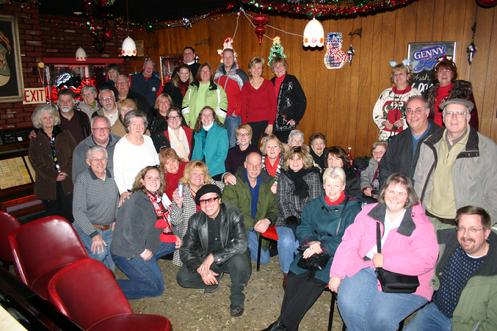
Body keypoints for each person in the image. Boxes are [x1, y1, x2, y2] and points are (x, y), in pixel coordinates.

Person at [329, 173, 439, 331]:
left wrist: (387, 261)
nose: (395, 197)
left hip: (404, 280)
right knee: (348, 302)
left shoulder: (420, 223)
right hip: (366, 267)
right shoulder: (369, 212)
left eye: (401, 193)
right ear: (383, 192)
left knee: (379, 317)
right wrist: (337, 273)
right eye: (391, 192)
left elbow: (426, 259)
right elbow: (349, 242)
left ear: (409, 196)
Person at [264, 167, 361, 331]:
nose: (331, 190)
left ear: (343, 186)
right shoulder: (315, 204)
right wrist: (311, 242)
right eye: (328, 185)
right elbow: (303, 228)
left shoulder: (352, 209)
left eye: (336, 185)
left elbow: (348, 241)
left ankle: (282, 326)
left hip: (335, 257)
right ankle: (285, 325)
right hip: (311, 249)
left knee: (310, 285)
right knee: (293, 280)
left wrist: (321, 247)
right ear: (323, 185)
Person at [405, 206, 497, 331]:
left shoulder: (493, 268)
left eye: (473, 229)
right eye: (461, 228)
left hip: (469, 325)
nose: (465, 235)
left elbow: (493, 323)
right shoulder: (452, 238)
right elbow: (428, 223)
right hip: (437, 312)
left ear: (486, 233)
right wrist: (402, 204)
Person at [414, 98, 497, 228]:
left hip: (463, 224)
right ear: (443, 117)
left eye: (459, 113)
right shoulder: (429, 144)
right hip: (428, 218)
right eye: (449, 113)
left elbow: (494, 191)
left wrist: (483, 225)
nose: (454, 118)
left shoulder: (486, 148)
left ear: (468, 117)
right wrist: (415, 214)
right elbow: (418, 182)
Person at [177, 184, 251, 317]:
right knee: (182, 278)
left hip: (230, 258)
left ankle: (237, 295)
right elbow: (185, 250)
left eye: (212, 199)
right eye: (204, 201)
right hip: (206, 261)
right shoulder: (195, 220)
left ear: (219, 200)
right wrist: (200, 267)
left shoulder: (233, 214)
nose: (208, 204)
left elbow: (241, 243)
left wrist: (213, 256)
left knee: (240, 261)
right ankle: (213, 278)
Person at [111, 166, 177, 299]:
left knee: (172, 243)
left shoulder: (155, 199)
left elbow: (156, 225)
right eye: (149, 178)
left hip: (143, 244)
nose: (154, 181)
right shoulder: (137, 199)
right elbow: (127, 230)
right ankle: (107, 287)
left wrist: (172, 235)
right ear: (142, 181)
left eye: (157, 178)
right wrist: (141, 250)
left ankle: (144, 267)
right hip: (128, 252)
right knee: (156, 288)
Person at [222, 152, 279, 266]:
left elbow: (275, 208)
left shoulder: (269, 183)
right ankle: (239, 247)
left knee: (264, 259)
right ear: (245, 164)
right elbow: (231, 210)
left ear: (262, 166)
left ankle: (243, 248)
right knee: (261, 257)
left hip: (260, 228)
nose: (254, 168)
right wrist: (254, 225)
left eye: (257, 165)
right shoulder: (233, 182)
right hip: (240, 226)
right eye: (251, 164)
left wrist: (268, 220)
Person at [277, 146, 321, 285]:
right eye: (292, 159)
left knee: (299, 243)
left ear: (305, 160)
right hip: (286, 218)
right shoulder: (284, 176)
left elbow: (315, 203)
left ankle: (298, 272)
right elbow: (281, 200)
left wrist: (304, 223)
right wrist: (291, 219)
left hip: (308, 221)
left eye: (299, 159)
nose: (295, 162)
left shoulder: (313, 176)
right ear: (287, 161)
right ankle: (286, 273)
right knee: (286, 241)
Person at [169, 161, 223, 267]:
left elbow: (224, 186)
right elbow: (175, 221)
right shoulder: (181, 192)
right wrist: (179, 204)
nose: (198, 176)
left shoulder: (209, 188)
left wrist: (225, 175)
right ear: (188, 175)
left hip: (209, 233)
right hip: (189, 238)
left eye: (201, 173)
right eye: (194, 173)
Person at [73, 146, 119, 270]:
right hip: (88, 227)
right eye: (95, 159)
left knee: (111, 268)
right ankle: (79, 268)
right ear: (88, 162)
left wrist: (116, 219)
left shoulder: (114, 175)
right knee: (100, 253)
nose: (99, 162)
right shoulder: (83, 179)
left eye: (102, 159)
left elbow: (118, 200)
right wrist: (94, 235)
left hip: (109, 227)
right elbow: (77, 211)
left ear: (107, 159)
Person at [379, 95, 441, 186]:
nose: (413, 114)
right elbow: (385, 172)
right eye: (409, 110)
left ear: (427, 113)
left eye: (418, 110)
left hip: (430, 198)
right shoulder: (397, 141)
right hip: (402, 197)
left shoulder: (441, 138)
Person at [28, 104, 76, 222]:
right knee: (53, 219)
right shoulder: (35, 139)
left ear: (55, 118)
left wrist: (66, 172)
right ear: (39, 120)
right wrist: (54, 175)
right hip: (48, 184)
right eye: (44, 118)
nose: (48, 120)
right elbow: (36, 162)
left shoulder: (65, 134)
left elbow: (74, 155)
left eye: (50, 117)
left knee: (70, 216)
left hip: (67, 182)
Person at [424, 56, 479, 130]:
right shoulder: (429, 94)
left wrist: (471, 135)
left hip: (456, 133)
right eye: (440, 71)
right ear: (436, 75)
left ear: (453, 74)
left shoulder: (463, 91)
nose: (444, 74)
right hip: (434, 134)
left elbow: (473, 117)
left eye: (447, 71)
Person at [113, 111, 159, 196]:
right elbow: (117, 172)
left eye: (141, 124)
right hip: (133, 192)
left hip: (152, 189)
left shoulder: (148, 140)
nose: (138, 127)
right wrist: (123, 192)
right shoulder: (121, 145)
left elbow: (156, 162)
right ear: (128, 126)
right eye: (134, 124)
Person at [372, 63, 420, 141]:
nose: (398, 77)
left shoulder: (415, 94)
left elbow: (419, 115)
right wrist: (384, 122)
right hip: (385, 137)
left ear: (408, 76)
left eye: (401, 74)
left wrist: (404, 123)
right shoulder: (386, 93)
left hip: (407, 137)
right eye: (395, 74)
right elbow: (376, 114)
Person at [214, 48, 249, 148]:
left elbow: (246, 95)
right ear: (222, 58)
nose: (228, 59)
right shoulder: (217, 75)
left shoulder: (240, 74)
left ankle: (234, 163)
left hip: (233, 116)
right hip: (219, 115)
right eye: (225, 57)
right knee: (221, 143)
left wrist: (237, 111)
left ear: (234, 58)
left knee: (233, 142)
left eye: (230, 57)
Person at [72, 115, 120, 182]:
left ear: (109, 129)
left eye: (105, 128)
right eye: (98, 128)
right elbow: (77, 180)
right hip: (93, 190)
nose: (102, 131)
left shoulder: (121, 144)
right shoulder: (81, 150)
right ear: (92, 130)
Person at [240, 56, 276, 146]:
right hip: (251, 123)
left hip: (266, 122)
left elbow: (273, 105)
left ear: (262, 70)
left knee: (268, 148)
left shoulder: (268, 84)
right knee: (252, 149)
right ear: (250, 70)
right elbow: (243, 108)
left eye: (259, 67)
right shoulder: (245, 87)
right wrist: (245, 126)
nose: (256, 70)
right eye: (254, 67)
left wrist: (271, 124)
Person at [271, 57, 307, 143]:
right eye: (276, 66)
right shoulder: (271, 82)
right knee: (276, 148)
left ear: (285, 67)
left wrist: (295, 119)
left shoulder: (292, 80)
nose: (278, 68)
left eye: (281, 66)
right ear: (273, 69)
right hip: (273, 124)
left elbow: (302, 101)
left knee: (288, 149)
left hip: (287, 123)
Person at [182, 63, 228, 128]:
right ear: (199, 73)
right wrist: (188, 120)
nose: (205, 73)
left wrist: (218, 122)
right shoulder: (192, 88)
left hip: (211, 125)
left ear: (210, 73)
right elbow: (185, 105)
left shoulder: (218, 88)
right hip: (194, 125)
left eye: (207, 71)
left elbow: (223, 107)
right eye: (202, 71)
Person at [191, 106, 229, 180]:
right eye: (204, 115)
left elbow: (221, 156)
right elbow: (194, 155)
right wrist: (192, 168)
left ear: (213, 117)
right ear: (200, 118)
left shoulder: (221, 132)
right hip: (198, 172)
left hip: (215, 172)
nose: (206, 117)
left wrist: (204, 171)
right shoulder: (197, 133)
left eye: (209, 115)